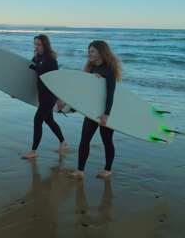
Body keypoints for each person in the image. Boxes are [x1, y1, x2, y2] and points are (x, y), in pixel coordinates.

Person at [70, 40, 121, 179]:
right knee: (84, 139)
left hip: (106, 111)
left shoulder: (109, 69)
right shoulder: (91, 68)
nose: (89, 54)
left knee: (107, 141)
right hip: (92, 111)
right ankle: (80, 170)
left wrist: (106, 114)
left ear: (100, 52)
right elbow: (85, 90)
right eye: (89, 51)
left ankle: (108, 169)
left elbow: (110, 94)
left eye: (92, 51)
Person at [21, 34, 68, 159]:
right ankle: (63, 142)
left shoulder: (51, 60)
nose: (36, 47)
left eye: (39, 44)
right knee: (49, 120)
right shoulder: (36, 58)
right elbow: (31, 76)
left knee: (38, 120)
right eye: (35, 44)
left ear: (45, 45)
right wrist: (18, 92)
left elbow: (56, 80)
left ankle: (34, 151)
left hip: (49, 96)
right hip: (41, 94)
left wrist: (59, 98)